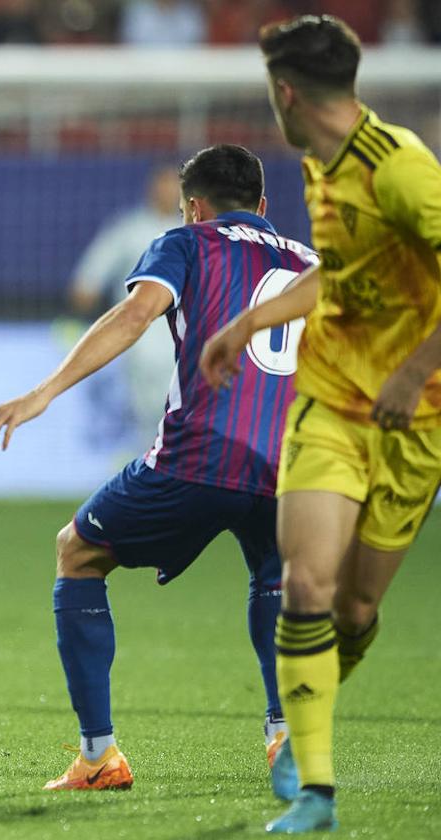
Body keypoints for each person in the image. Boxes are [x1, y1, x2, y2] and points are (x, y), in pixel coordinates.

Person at [0, 144, 315, 791]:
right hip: (291, 462)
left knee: (77, 552)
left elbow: (135, 314)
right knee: (275, 575)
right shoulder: (307, 260)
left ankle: (100, 756)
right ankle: (284, 738)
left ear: (194, 207)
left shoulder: (185, 243)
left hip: (201, 454)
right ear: (265, 206)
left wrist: (41, 393)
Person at [200, 15, 441, 834]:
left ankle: (313, 722)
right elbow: (336, 278)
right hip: (332, 401)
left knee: (356, 611)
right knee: (305, 584)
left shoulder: (401, 170)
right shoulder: (316, 164)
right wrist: (241, 325)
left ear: (286, 91)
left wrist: (413, 371)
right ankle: (314, 787)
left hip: (415, 417)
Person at [68, 165, 180, 443]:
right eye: (163, 184)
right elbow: (86, 284)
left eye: (174, 185)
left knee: (183, 426)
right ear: (152, 188)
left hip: (186, 344)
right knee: (149, 426)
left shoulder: (195, 232)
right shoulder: (129, 230)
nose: (168, 192)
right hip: (138, 342)